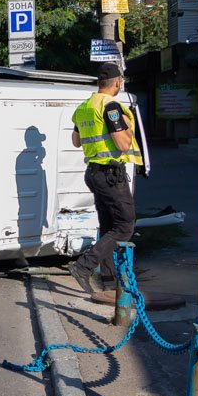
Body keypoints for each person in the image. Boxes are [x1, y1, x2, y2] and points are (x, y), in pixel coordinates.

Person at [67, 62, 143, 295]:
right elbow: (122, 143)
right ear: (118, 82)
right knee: (124, 225)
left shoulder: (84, 106)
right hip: (110, 174)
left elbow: (76, 142)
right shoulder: (111, 106)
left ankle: (109, 281)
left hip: (94, 173)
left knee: (109, 226)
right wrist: (129, 127)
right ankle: (83, 266)